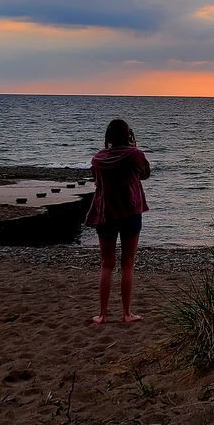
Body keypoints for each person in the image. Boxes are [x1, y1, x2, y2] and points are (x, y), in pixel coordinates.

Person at [85, 118, 150, 325]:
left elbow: (96, 180)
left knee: (106, 264)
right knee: (127, 264)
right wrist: (135, 147)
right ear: (128, 135)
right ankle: (126, 313)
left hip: (105, 214)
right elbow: (145, 174)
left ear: (109, 138)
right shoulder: (134, 155)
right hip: (130, 213)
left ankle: (103, 314)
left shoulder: (98, 159)